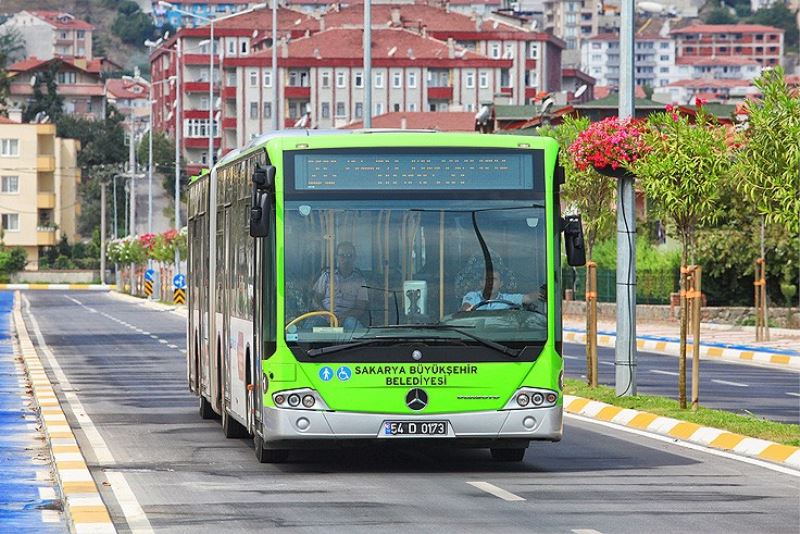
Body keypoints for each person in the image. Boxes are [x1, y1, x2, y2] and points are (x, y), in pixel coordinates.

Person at [312, 241, 369, 329]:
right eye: (342, 256)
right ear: (336, 257)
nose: (346, 259)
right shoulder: (327, 276)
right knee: (309, 327)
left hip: (348, 318)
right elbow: (315, 300)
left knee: (356, 329)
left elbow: (360, 307)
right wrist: (326, 315)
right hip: (324, 316)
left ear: (355, 258)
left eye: (350, 256)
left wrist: (343, 317)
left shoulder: (360, 281)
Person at [461, 270, 544, 311]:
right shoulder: (472, 296)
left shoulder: (508, 299)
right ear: (481, 283)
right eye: (487, 279)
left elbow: (529, 298)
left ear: (501, 284)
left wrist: (545, 292)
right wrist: (467, 309)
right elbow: (466, 307)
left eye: (494, 280)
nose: (490, 283)